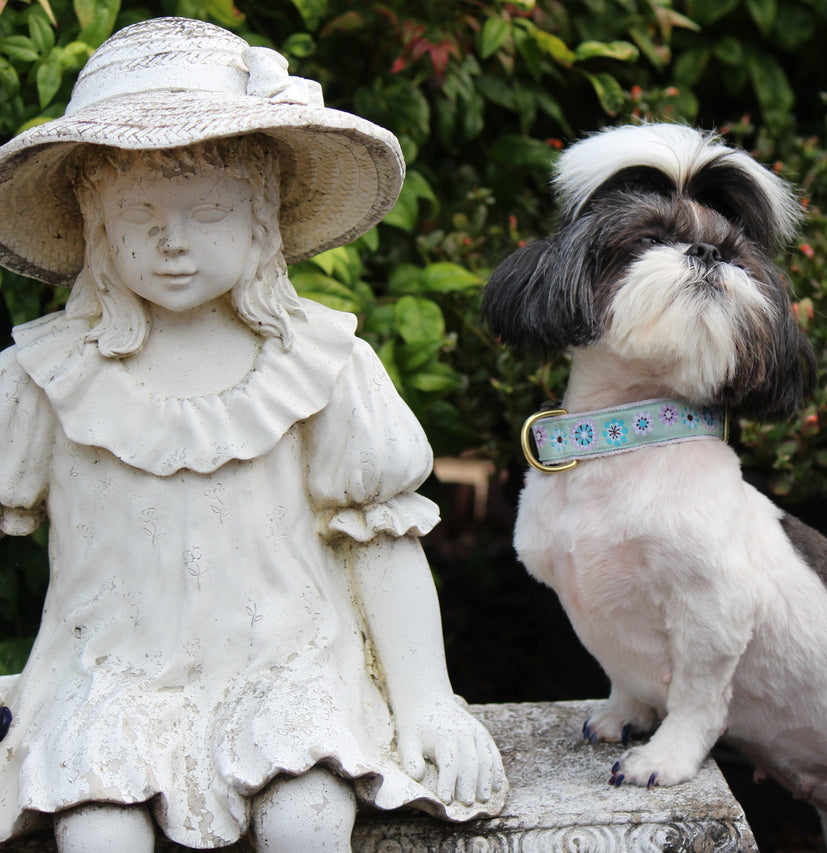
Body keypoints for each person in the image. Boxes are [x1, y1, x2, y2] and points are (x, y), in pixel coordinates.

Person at [0, 17, 505, 851]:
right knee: (96, 832)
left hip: (288, 671)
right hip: (111, 678)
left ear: (261, 216)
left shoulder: (321, 364)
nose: (173, 242)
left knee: (306, 818)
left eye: (208, 212)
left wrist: (428, 703)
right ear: (94, 224)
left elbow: (377, 541)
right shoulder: (44, 377)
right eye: (139, 216)